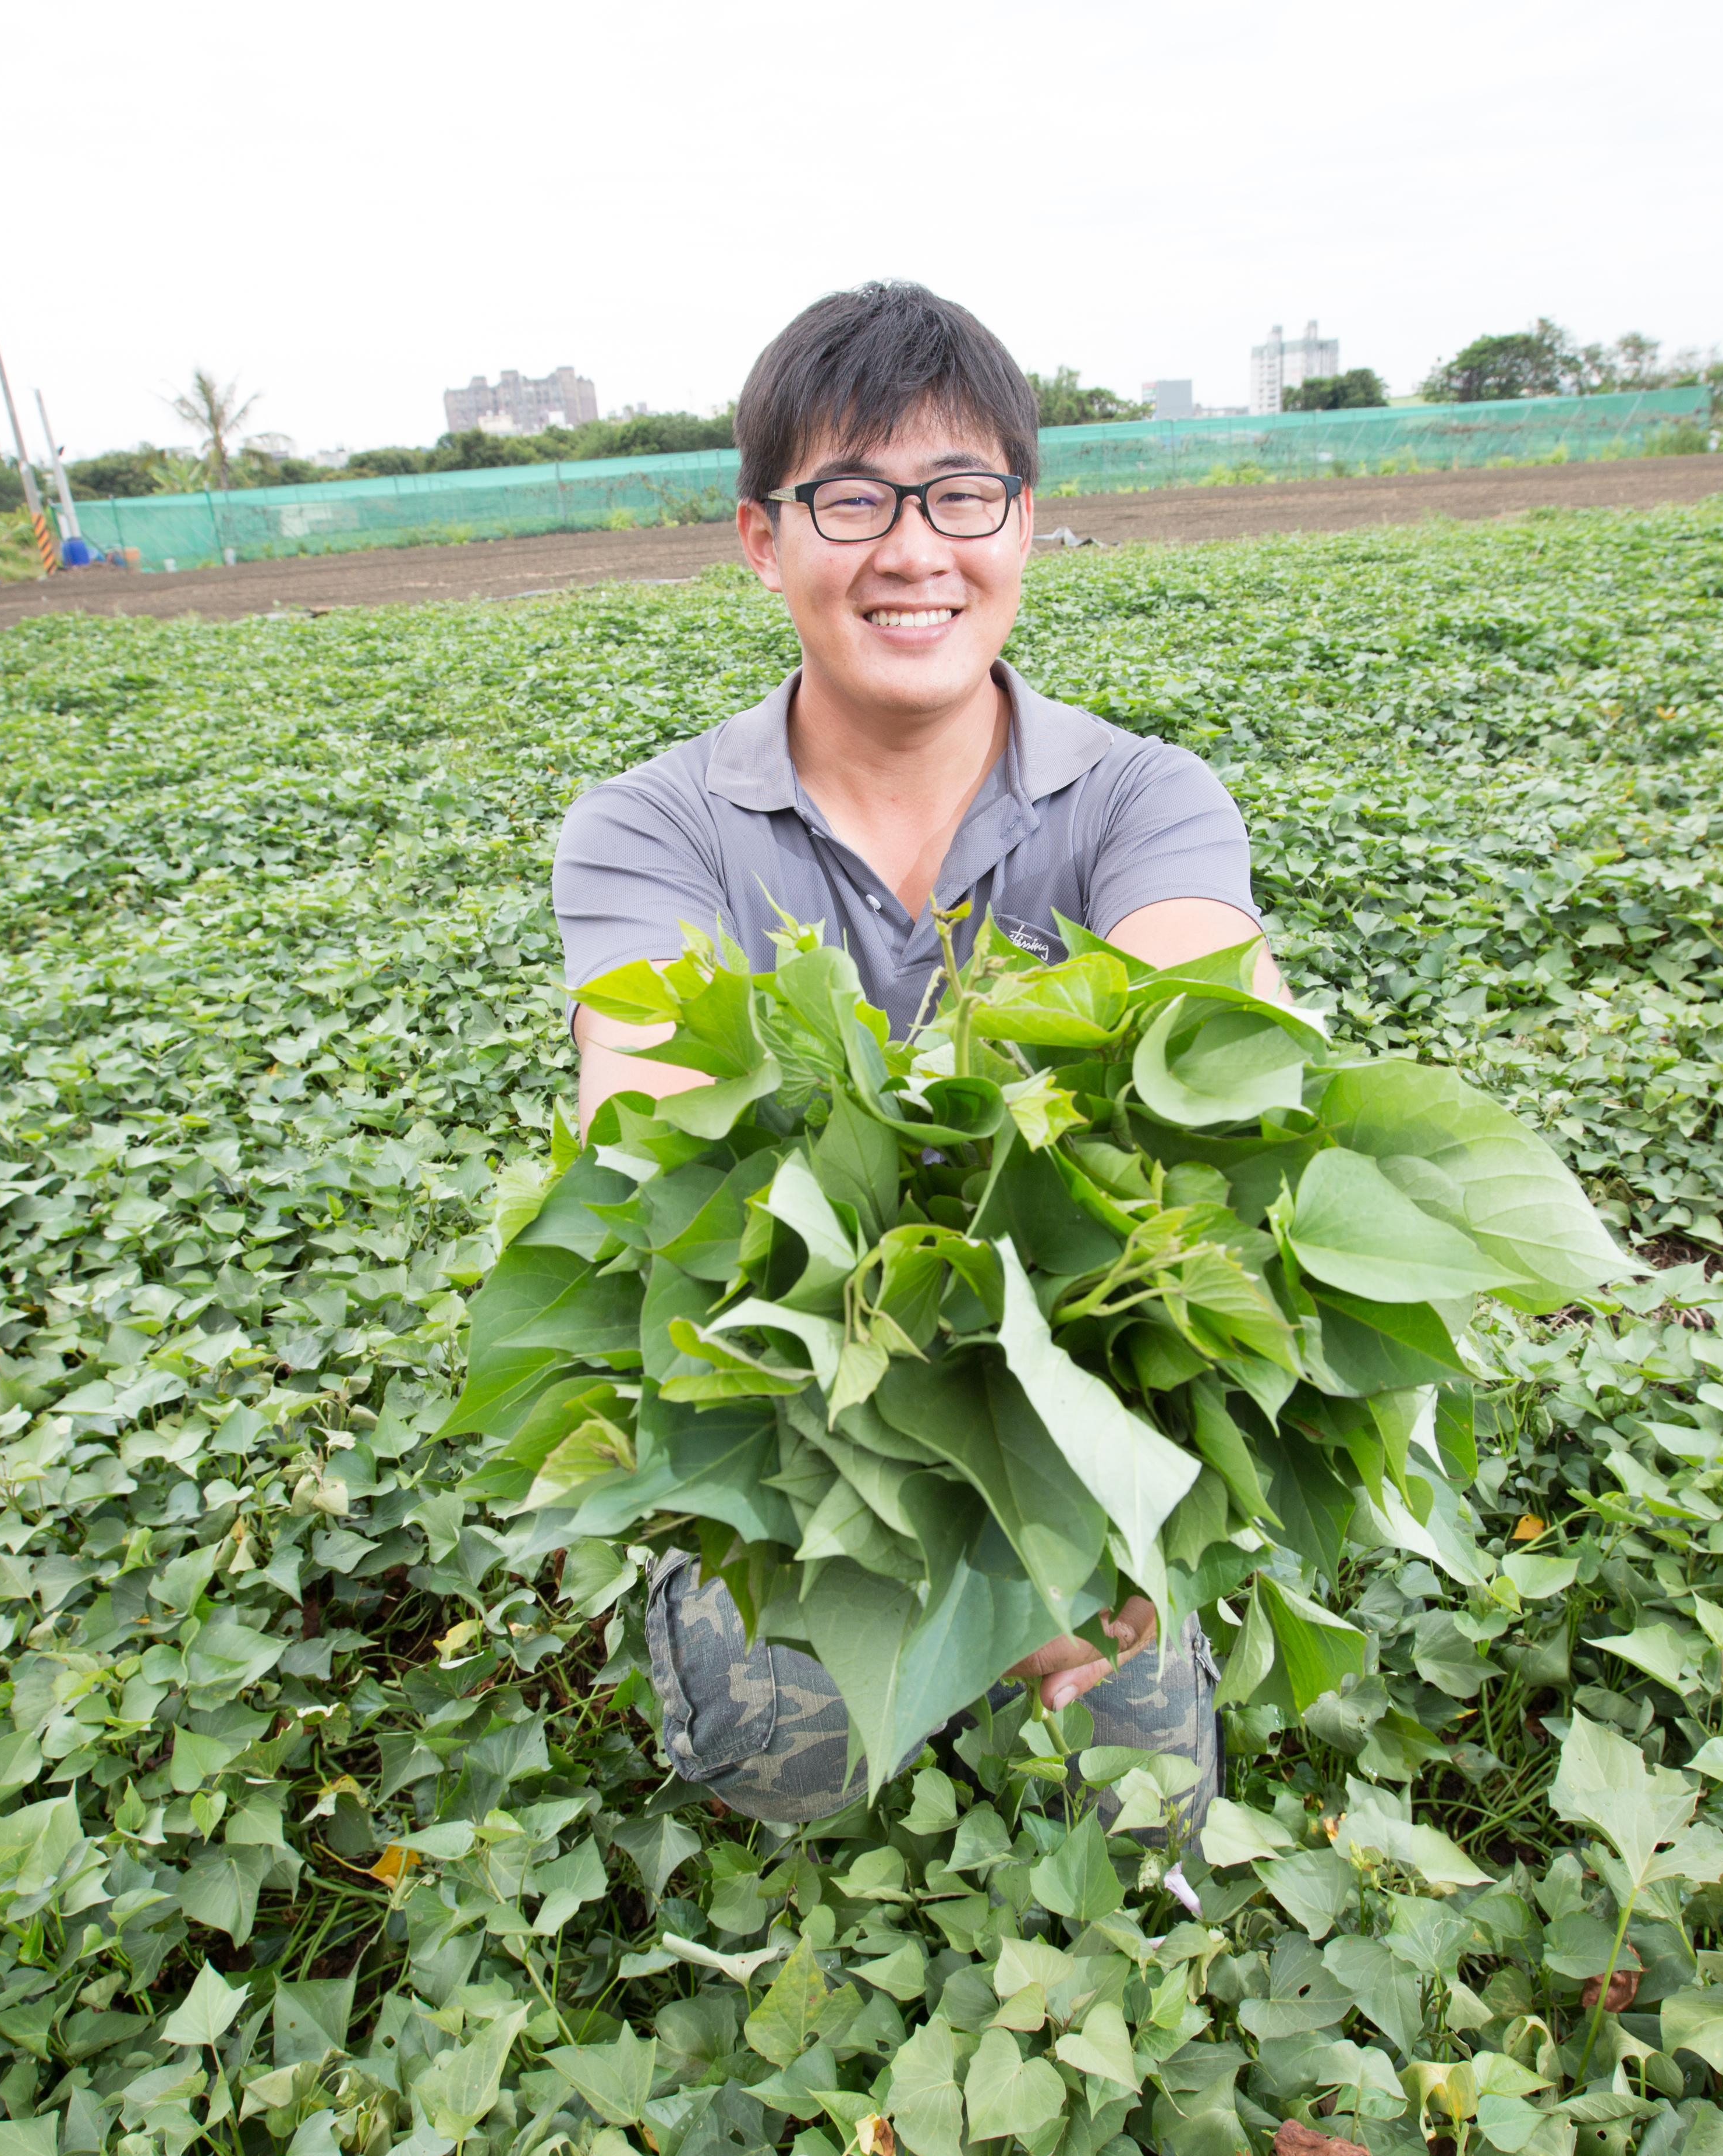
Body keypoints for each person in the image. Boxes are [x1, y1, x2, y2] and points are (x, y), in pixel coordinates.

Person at [549, 280, 1283, 1826]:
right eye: (851, 498)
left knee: (1136, 1797)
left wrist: (1060, 1546)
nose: (912, 550)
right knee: (799, 1773)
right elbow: (678, 1194)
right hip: (784, 1431)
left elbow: (1216, 1113)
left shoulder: (1148, 802)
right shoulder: (653, 829)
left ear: (1024, 521)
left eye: (962, 493)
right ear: (763, 537)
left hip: (1088, 1428)